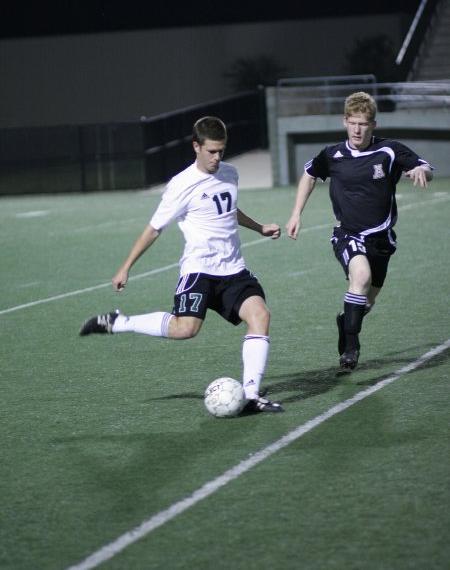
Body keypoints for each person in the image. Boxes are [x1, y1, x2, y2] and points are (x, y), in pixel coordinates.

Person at [80, 116, 283, 413]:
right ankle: (119, 322)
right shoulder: (181, 185)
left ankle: (251, 397)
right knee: (185, 329)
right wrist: (126, 267)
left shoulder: (230, 173)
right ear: (196, 147)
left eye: (221, 151)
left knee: (260, 316)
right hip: (199, 271)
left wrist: (260, 227)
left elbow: (228, 209)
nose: (217, 157)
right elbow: (154, 228)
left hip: (234, 269)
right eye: (211, 151)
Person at [285, 91, 433, 370]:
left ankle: (346, 322)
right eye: (352, 122)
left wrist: (422, 170)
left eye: (363, 123)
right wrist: (296, 214)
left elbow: (422, 165)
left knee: (366, 301)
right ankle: (351, 348)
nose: (357, 129)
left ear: (372, 125)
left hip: (382, 240)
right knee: (360, 276)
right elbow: (309, 175)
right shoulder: (332, 155)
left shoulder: (388, 150)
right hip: (348, 234)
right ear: (345, 121)